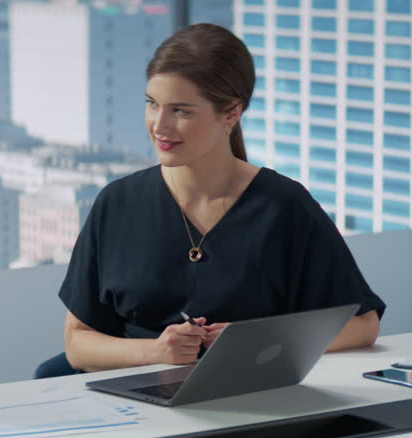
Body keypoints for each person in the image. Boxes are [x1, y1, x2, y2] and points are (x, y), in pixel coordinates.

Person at [59, 23, 385, 374]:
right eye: (152, 104)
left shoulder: (285, 206)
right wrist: (156, 351)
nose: (159, 125)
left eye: (181, 111)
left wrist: (253, 340)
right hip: (132, 407)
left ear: (231, 113)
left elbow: (363, 324)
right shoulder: (116, 203)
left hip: (251, 402)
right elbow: (77, 344)